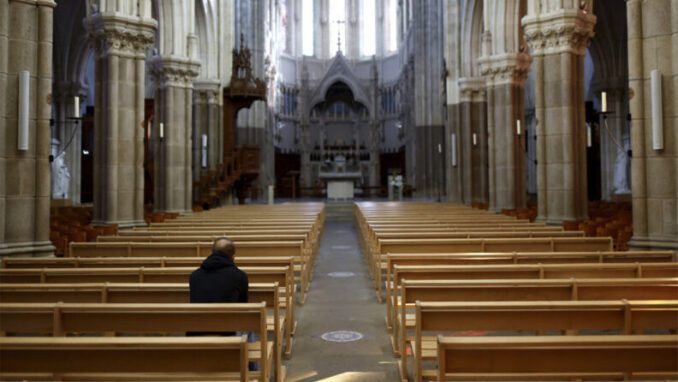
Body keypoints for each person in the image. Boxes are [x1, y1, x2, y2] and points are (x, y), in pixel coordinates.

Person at [188, 237, 248, 336]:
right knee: (248, 329)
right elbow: (243, 307)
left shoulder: (194, 275)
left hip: (197, 333)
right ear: (232, 257)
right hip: (228, 333)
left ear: (212, 252)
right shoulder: (240, 276)